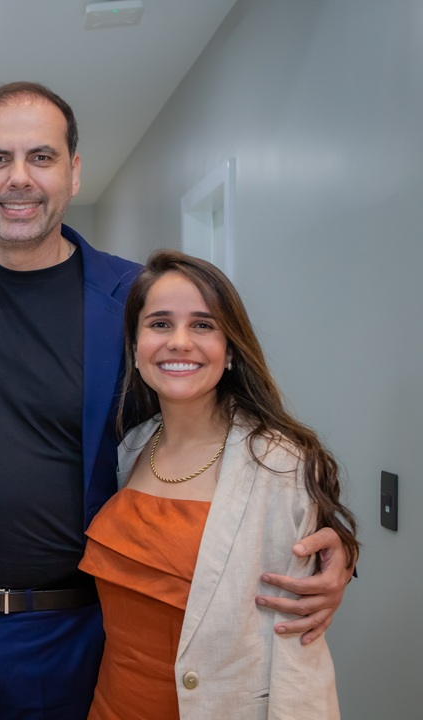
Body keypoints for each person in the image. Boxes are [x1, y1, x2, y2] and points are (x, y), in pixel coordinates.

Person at [0, 82, 355, 719]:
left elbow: (213, 411)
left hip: (60, 638)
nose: (19, 178)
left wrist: (327, 537)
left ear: (73, 172)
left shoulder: (129, 298)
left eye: (41, 157)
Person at [79, 249, 359, 719]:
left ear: (229, 350)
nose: (179, 342)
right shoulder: (133, 446)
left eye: (203, 325)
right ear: (136, 346)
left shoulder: (279, 464)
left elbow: (299, 654)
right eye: (160, 324)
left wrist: (345, 554)